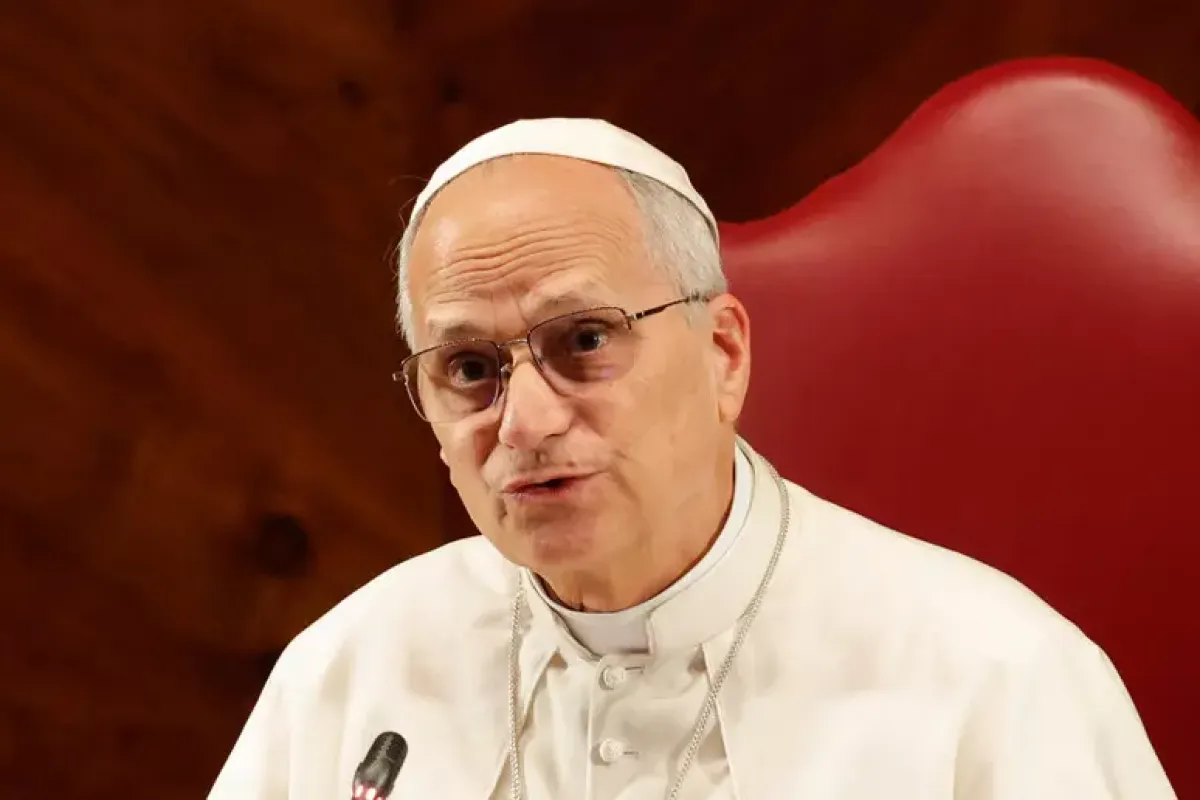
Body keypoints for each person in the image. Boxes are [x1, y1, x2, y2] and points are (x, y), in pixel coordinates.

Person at [209, 118, 1176, 799]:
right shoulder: (352, 671)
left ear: (724, 354)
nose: (526, 422)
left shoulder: (992, 678)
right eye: (469, 367)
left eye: (584, 340)